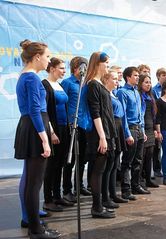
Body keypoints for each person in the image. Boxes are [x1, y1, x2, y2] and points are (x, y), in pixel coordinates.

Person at [15, 39, 60, 238]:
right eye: (47, 56)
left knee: (30, 180)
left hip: (31, 127)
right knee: (34, 183)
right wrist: (44, 139)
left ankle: (31, 220)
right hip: (35, 129)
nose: (48, 60)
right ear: (37, 57)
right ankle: (36, 229)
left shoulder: (25, 76)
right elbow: (35, 110)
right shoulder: (32, 78)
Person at [85, 52, 116, 218]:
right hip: (98, 135)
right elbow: (95, 113)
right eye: (106, 63)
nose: (108, 66)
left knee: (102, 170)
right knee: (97, 172)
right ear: (97, 64)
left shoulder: (99, 84)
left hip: (105, 132)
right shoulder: (92, 85)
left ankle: (99, 205)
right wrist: (102, 137)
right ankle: (96, 208)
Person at [42, 57, 74, 212]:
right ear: (52, 68)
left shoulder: (59, 85)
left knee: (60, 163)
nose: (64, 71)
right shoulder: (45, 85)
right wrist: (52, 132)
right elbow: (45, 112)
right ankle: (48, 200)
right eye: (61, 68)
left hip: (64, 128)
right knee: (51, 165)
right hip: (53, 129)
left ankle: (57, 196)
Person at [61, 56, 91, 203]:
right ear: (75, 68)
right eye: (82, 67)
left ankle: (79, 186)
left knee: (82, 159)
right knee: (70, 160)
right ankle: (66, 190)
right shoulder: (67, 83)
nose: (84, 70)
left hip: (85, 124)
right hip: (72, 125)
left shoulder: (86, 84)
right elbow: (62, 104)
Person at [117, 66, 150, 200]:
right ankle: (126, 189)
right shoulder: (122, 92)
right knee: (127, 161)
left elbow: (140, 113)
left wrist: (142, 129)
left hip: (139, 129)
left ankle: (136, 185)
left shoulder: (137, 92)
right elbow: (123, 115)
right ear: (128, 77)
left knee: (138, 160)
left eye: (138, 75)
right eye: (135, 75)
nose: (138, 77)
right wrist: (127, 134)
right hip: (130, 128)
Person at [100, 70, 129, 207]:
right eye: (115, 79)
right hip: (112, 128)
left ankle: (112, 194)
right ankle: (105, 196)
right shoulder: (106, 95)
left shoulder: (114, 94)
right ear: (106, 80)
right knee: (109, 165)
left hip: (118, 127)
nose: (117, 82)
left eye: (118, 79)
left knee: (114, 163)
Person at [138, 74, 159, 188]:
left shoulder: (151, 97)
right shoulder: (139, 96)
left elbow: (154, 115)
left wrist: (155, 129)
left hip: (151, 128)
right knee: (142, 155)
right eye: (146, 82)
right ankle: (139, 180)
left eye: (149, 82)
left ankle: (148, 179)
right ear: (140, 83)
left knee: (150, 155)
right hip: (142, 128)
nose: (148, 84)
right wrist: (143, 130)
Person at [152, 67, 166, 177]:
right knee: (157, 147)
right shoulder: (154, 90)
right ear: (158, 76)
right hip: (158, 120)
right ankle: (157, 169)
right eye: (163, 75)